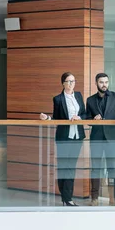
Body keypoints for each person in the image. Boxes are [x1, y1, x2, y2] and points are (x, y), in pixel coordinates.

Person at [40, 72, 86, 206]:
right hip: (64, 137)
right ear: (63, 83)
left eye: (73, 81)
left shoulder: (78, 95)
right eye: (68, 81)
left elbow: (84, 113)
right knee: (63, 167)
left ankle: (67, 198)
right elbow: (56, 118)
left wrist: (79, 118)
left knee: (71, 167)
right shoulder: (58, 99)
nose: (72, 84)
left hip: (77, 136)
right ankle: (66, 198)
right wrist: (47, 118)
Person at [85, 73, 115, 206]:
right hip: (96, 138)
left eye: (106, 82)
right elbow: (87, 120)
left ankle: (113, 198)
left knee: (112, 168)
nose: (104, 84)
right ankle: (94, 198)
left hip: (112, 138)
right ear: (96, 83)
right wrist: (94, 120)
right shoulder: (90, 100)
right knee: (95, 168)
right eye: (101, 82)